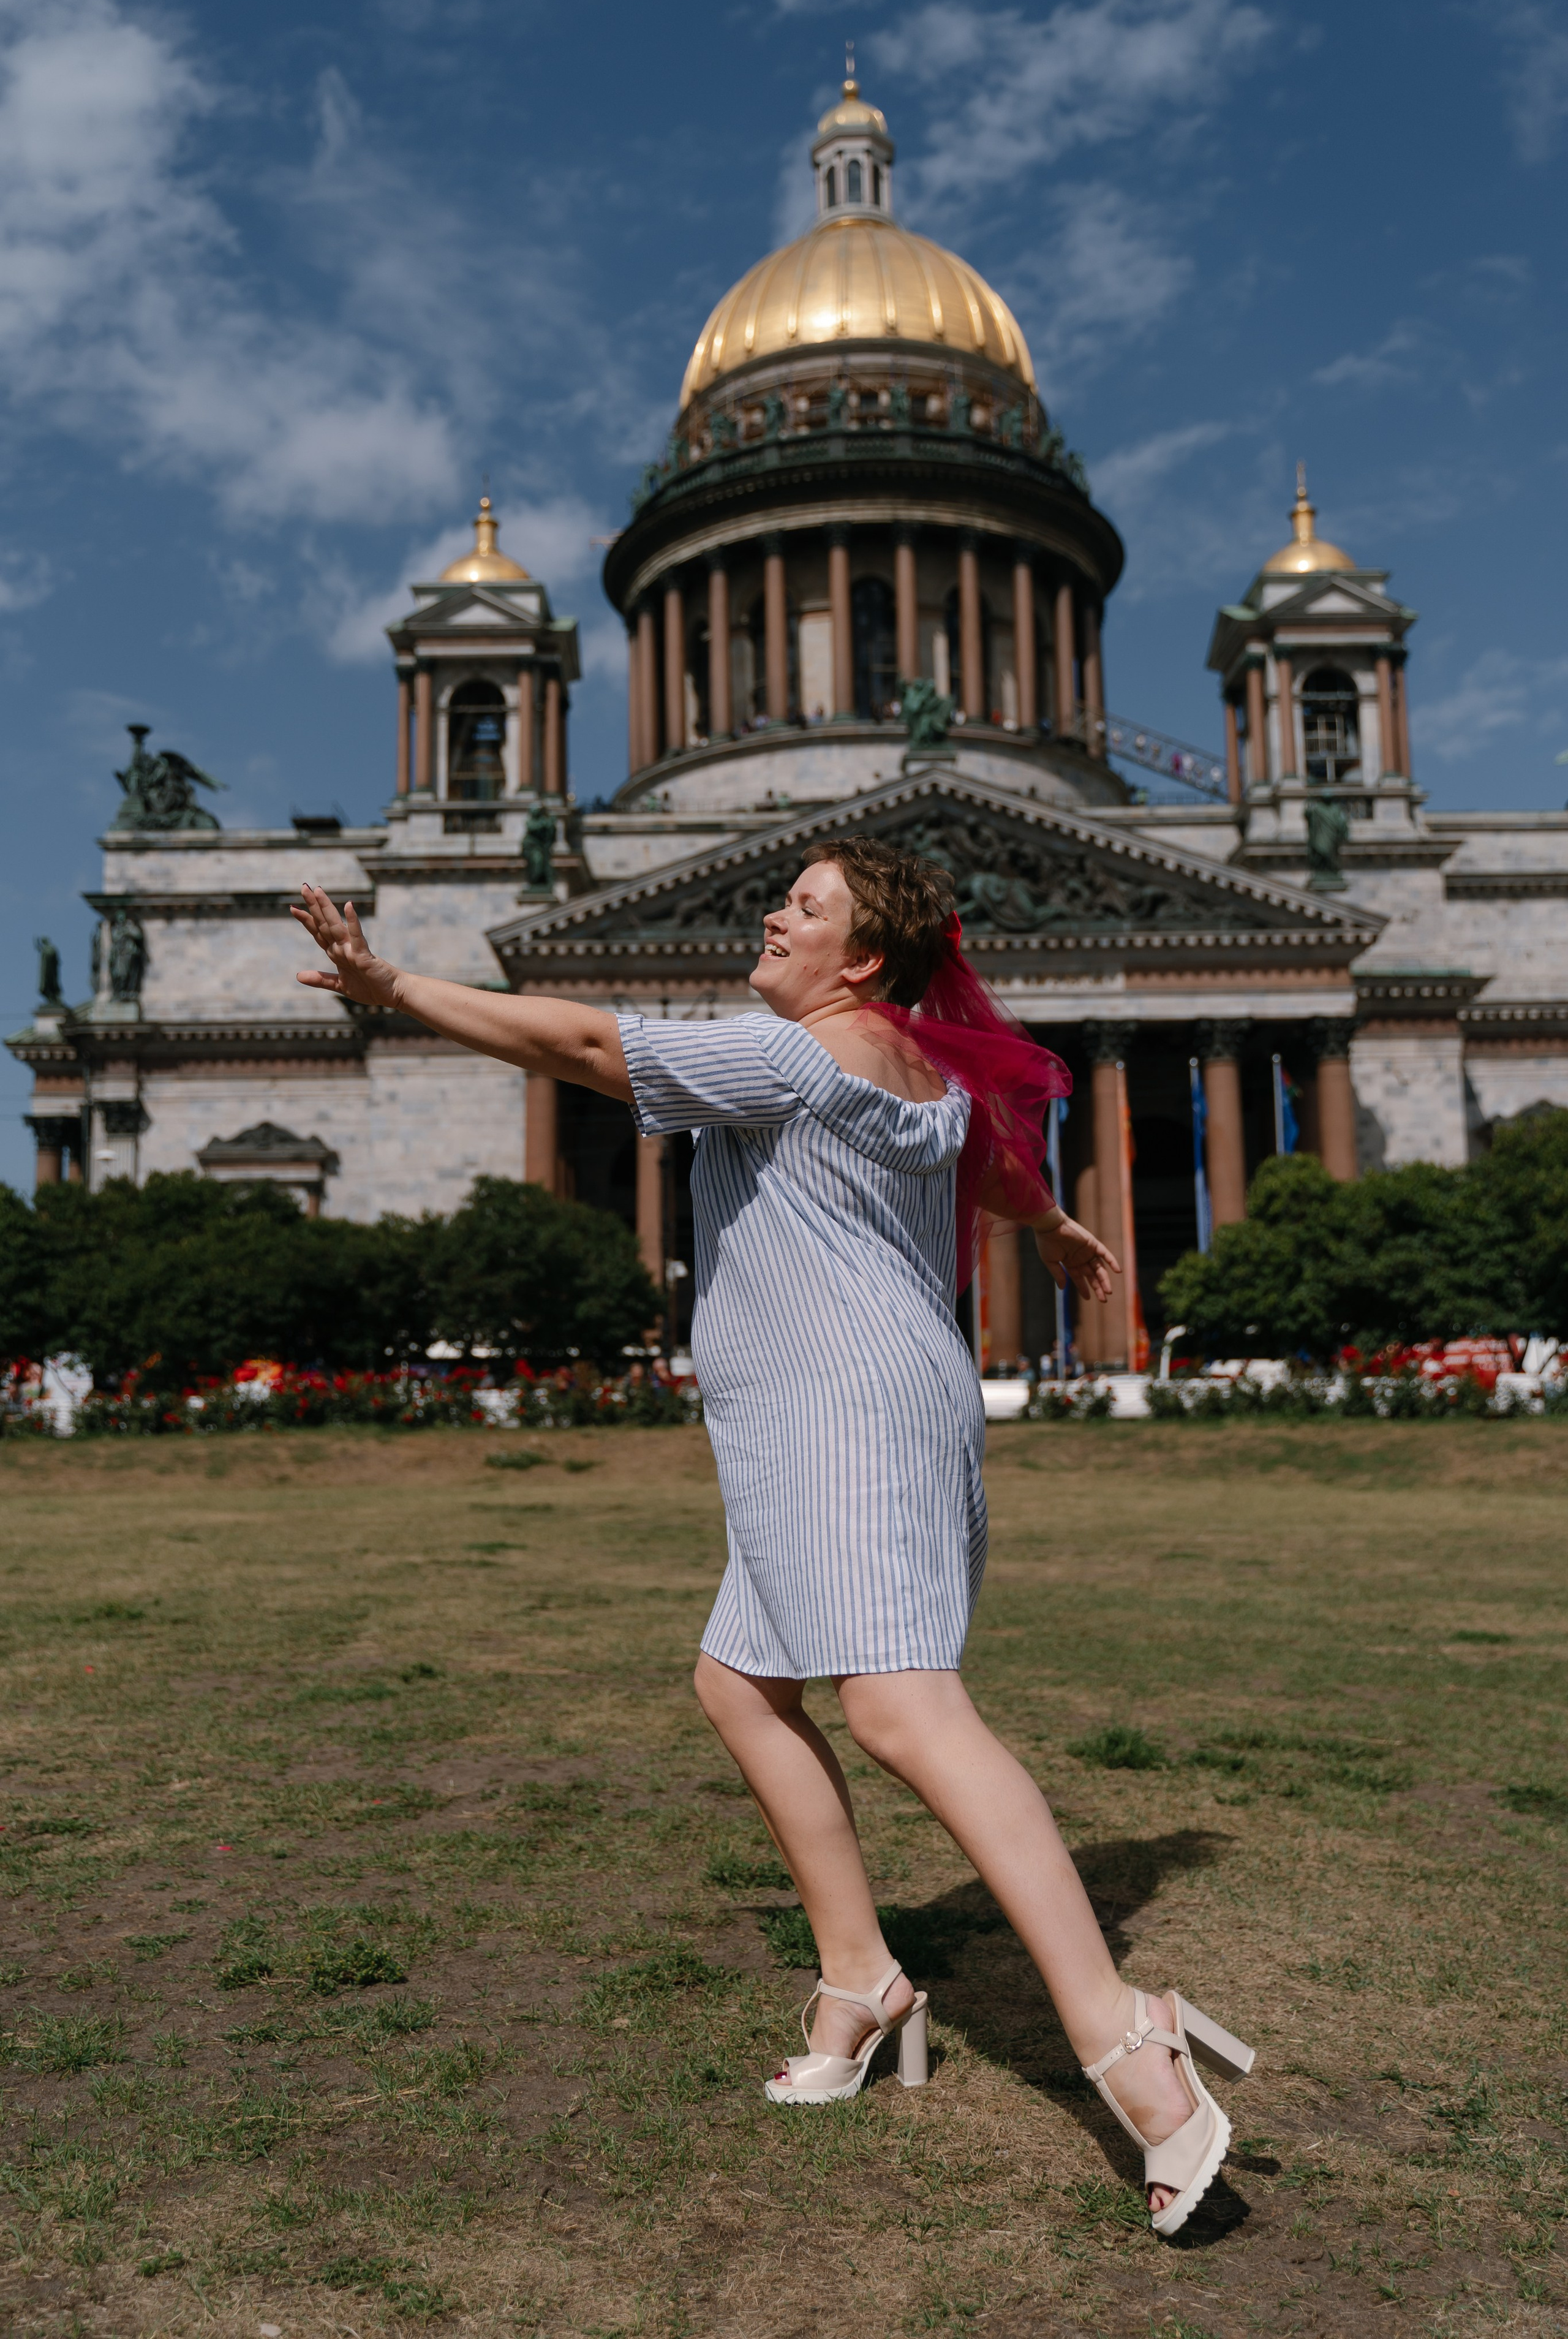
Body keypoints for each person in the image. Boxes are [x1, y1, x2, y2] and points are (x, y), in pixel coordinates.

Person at [290, 836, 1253, 2239]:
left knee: (903, 1710)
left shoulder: (792, 1054)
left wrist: (389, 983)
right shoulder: (911, 1068)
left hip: (840, 1418)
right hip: (844, 1409)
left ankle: (1126, 2039)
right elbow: (980, 1161)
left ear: (860, 957)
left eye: (803, 907)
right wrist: (1045, 1219)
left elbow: (576, 1040)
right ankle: (859, 1976)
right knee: (738, 1683)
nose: (770, 914)